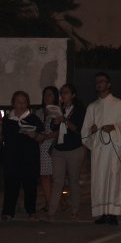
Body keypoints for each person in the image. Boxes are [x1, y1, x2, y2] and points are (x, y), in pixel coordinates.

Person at [81, 72, 121, 226]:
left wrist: (114, 127)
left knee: (114, 179)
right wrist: (92, 131)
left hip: (114, 149)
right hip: (99, 150)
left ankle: (113, 213)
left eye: (102, 81)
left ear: (108, 84)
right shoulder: (92, 107)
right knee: (99, 180)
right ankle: (102, 213)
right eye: (97, 81)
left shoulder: (119, 104)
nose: (99, 84)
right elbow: (85, 132)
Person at [1, 91, 44, 221]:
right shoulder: (7, 120)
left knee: (30, 185)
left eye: (24, 102)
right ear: (13, 103)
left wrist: (34, 135)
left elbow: (42, 137)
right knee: (11, 186)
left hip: (29, 158)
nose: (21, 104)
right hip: (11, 158)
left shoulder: (33, 118)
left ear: (28, 103)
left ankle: (31, 211)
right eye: (18, 102)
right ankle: (8, 212)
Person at [47, 83, 85, 222]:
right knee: (57, 181)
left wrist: (65, 120)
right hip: (59, 149)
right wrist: (56, 121)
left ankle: (75, 211)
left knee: (73, 181)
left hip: (74, 149)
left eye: (66, 92)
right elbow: (52, 127)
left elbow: (78, 129)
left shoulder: (79, 109)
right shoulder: (58, 108)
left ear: (73, 95)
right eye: (62, 92)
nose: (63, 95)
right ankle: (51, 213)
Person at [34, 86, 60, 213]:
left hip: (53, 146)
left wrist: (47, 136)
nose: (47, 97)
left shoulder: (58, 111)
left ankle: (52, 204)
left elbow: (61, 130)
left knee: (53, 176)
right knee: (44, 176)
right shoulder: (38, 112)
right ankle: (49, 202)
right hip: (40, 146)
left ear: (55, 97)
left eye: (50, 94)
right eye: (45, 94)